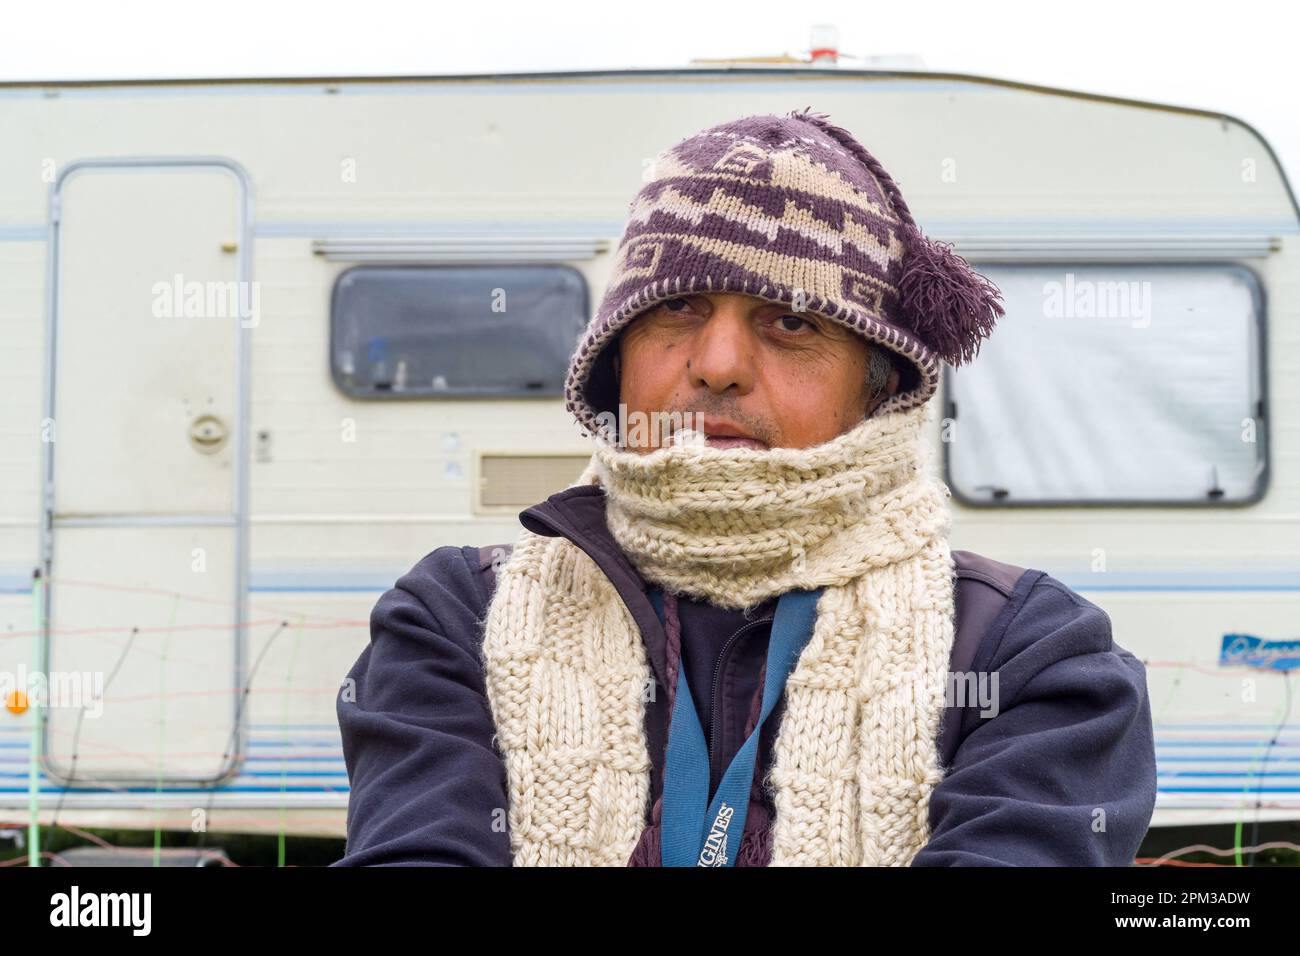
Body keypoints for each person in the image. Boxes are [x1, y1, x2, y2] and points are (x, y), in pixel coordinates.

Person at [333, 107, 1157, 867]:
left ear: (879, 387)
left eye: (791, 322)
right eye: (679, 308)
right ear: (615, 359)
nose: (718, 366)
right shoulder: (453, 619)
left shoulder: (1030, 652)